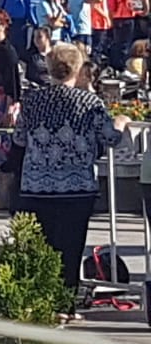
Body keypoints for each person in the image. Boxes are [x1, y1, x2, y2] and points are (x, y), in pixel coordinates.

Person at [12, 43, 128, 307]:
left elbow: (19, 139)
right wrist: (120, 122)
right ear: (78, 68)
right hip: (76, 188)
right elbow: (110, 138)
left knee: (41, 248)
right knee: (70, 249)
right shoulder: (89, 102)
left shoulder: (32, 100)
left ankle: (39, 301)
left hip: (36, 186)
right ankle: (64, 304)